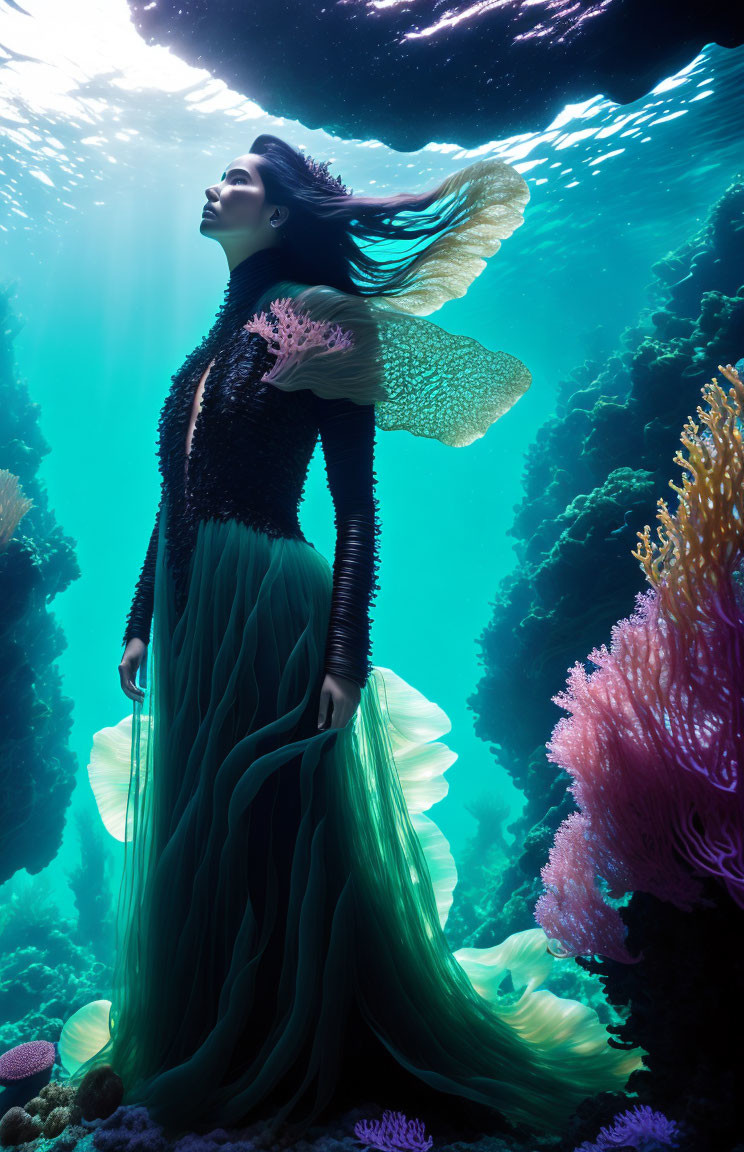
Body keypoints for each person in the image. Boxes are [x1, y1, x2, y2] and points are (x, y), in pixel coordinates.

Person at [60, 135, 643, 1141]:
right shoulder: (209, 346)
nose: (213, 186)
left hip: (271, 602)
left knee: (284, 827)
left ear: (278, 215)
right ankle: (231, 1032)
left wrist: (342, 654)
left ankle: (317, 1050)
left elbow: (356, 510)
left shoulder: (324, 322)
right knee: (216, 830)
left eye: (234, 179)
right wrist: (138, 618)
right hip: (198, 613)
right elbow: (174, 492)